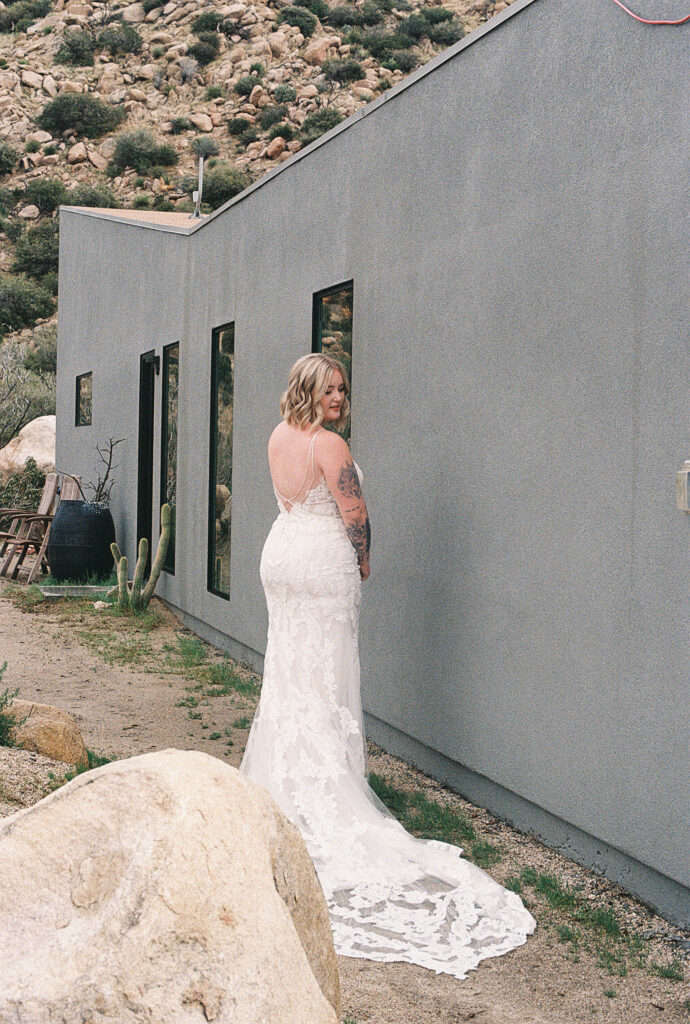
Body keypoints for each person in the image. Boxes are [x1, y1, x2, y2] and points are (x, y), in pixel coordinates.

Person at [239, 352, 535, 979]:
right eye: (329, 389)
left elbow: (290, 497)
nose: (339, 398)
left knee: (291, 674)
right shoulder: (329, 445)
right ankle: (328, 791)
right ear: (309, 392)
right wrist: (364, 562)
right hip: (320, 562)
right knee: (326, 676)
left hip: (282, 553)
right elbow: (354, 514)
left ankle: (283, 785)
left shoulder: (276, 437)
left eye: (342, 389)